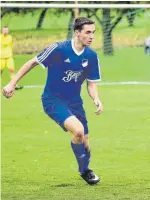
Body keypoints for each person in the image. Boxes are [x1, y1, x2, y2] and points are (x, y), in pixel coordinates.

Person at [2, 17, 103, 185]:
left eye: (93, 32)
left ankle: (84, 168)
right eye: (87, 32)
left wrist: (96, 98)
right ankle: (85, 171)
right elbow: (33, 62)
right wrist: (12, 83)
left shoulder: (91, 56)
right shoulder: (58, 49)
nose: (91, 36)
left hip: (75, 102)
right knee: (78, 131)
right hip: (53, 100)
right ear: (77, 33)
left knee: (85, 144)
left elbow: (91, 83)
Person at [1, 26, 23, 90]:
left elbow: (8, 45)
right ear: (2, 31)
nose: (5, 31)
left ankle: (15, 85)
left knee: (12, 70)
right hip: (1, 57)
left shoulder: (10, 37)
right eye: (4, 30)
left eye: (6, 30)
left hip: (9, 57)